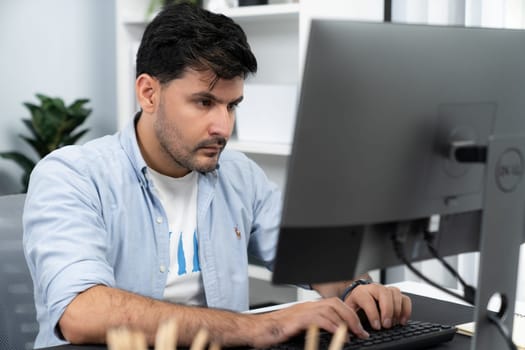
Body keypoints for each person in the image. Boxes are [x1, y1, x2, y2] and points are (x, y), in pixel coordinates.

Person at [23, 3, 412, 349]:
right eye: (204, 102)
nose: (223, 127)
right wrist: (258, 327)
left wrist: (354, 288)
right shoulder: (70, 175)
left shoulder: (240, 175)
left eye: (232, 106)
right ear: (148, 93)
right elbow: (81, 312)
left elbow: (309, 258)